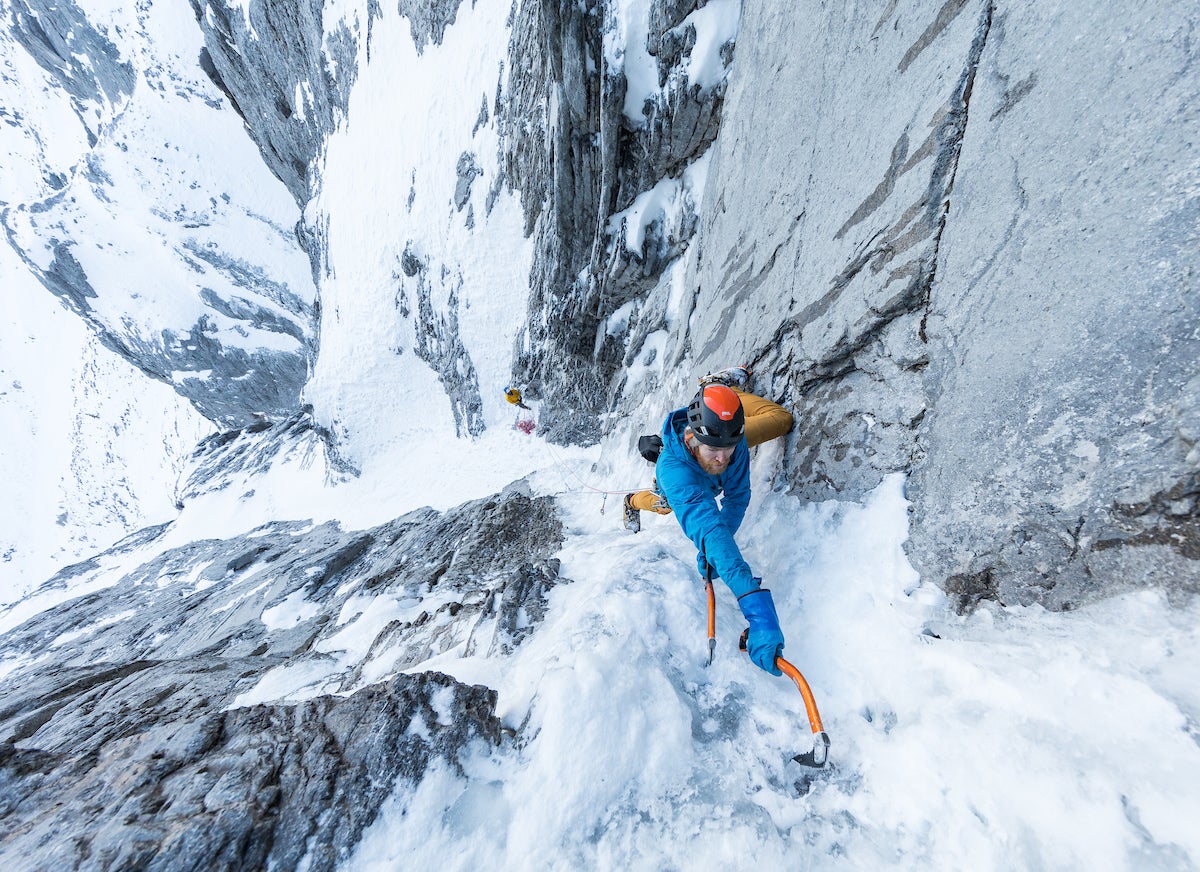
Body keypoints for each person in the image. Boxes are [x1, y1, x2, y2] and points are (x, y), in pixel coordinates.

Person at [624, 366, 794, 674]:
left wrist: (717, 551)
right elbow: (710, 527)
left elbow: (737, 496)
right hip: (678, 485)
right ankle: (631, 501)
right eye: (714, 452)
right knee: (665, 507)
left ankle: (723, 391)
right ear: (691, 437)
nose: (723, 459)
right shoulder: (674, 472)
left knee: (781, 420)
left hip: (722, 429)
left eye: (729, 451)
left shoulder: (731, 444)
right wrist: (755, 607)